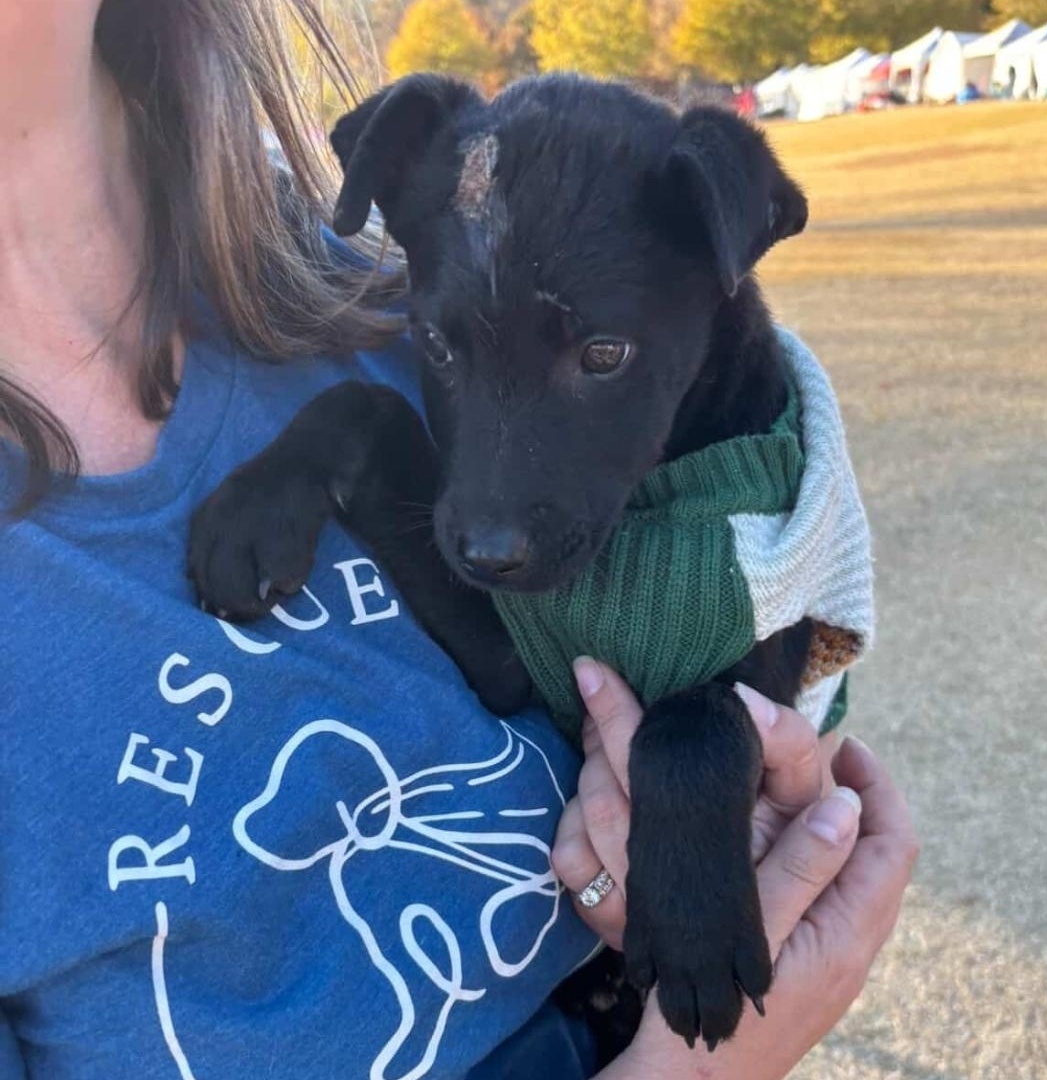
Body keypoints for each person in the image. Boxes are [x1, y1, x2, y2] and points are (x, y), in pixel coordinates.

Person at [0, 1, 918, 1077]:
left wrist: (722, 779)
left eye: (600, 357)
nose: (485, 522)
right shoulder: (413, 287)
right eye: (444, 345)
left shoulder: (352, 294)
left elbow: (735, 665)